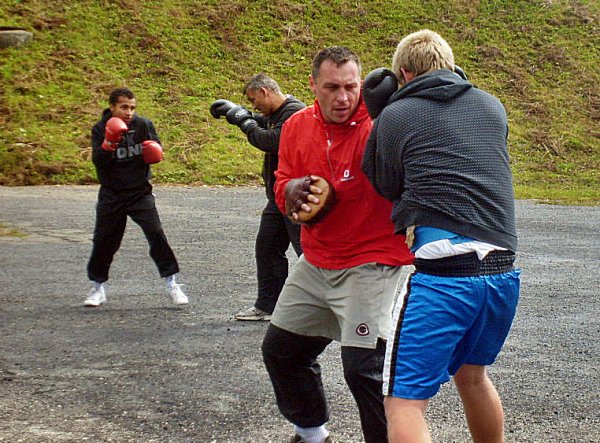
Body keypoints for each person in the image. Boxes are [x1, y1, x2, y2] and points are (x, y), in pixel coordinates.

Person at [361, 29, 521, 442]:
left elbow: (385, 183)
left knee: (404, 401)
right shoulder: (491, 104)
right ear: (453, 68)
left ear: (403, 74)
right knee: (473, 377)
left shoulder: (398, 113)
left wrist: (381, 117)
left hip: (446, 274)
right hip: (502, 272)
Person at [261, 46, 414, 443]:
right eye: (332, 87)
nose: (343, 97)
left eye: (351, 87)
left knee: (364, 368)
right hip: (317, 259)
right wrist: (289, 192)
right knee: (282, 351)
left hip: (372, 259)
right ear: (313, 85)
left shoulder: (381, 123)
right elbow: (282, 181)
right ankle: (312, 435)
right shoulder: (296, 126)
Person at [209, 74, 305, 321]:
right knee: (267, 248)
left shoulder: (294, 112)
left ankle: (323, 306)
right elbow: (261, 121)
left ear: (264, 91)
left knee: (308, 254)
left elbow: (271, 141)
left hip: (296, 198)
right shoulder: (277, 114)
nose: (254, 106)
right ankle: (268, 306)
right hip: (278, 198)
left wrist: (244, 120)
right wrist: (235, 112)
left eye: (254, 100)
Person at [85, 87, 189, 307]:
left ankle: (172, 283)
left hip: (139, 192)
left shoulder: (143, 125)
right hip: (112, 194)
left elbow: (157, 149)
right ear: (112, 107)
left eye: (132, 107)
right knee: (104, 241)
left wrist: (154, 151)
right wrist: (109, 144)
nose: (129, 112)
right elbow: (98, 161)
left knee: (156, 234)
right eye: (124, 107)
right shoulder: (100, 128)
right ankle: (97, 288)